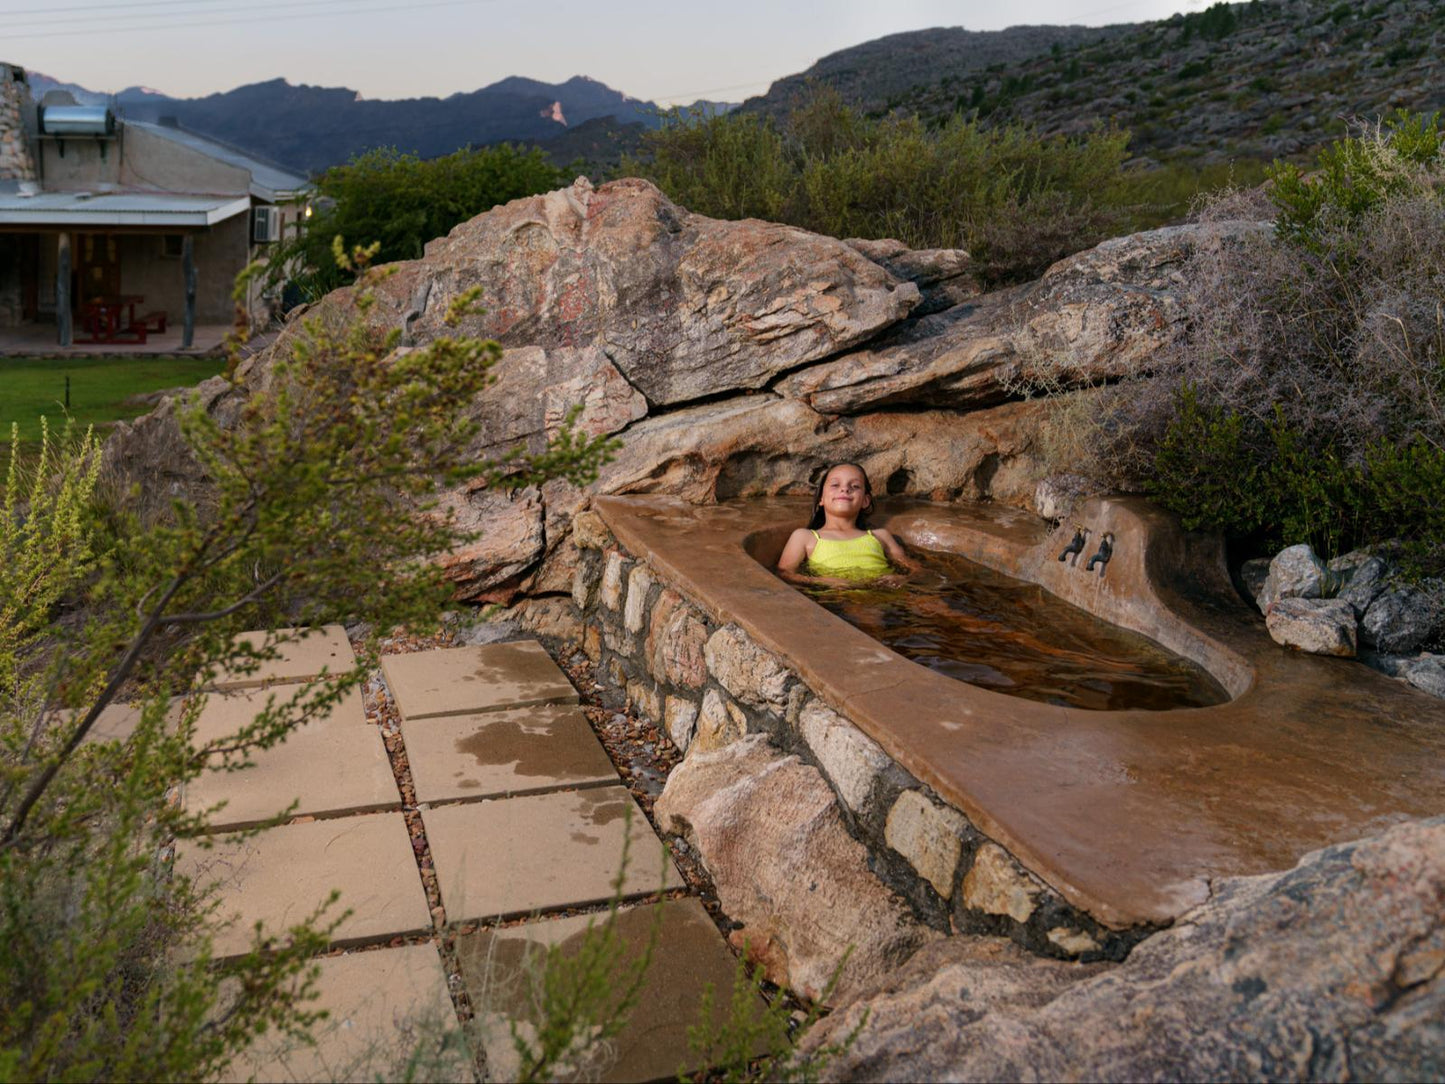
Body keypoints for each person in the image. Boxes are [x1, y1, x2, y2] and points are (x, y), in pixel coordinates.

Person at [777, 462, 914, 586]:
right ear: (821, 498)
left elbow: (915, 569)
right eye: (835, 485)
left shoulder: (880, 536)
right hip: (838, 598)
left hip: (884, 591)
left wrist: (901, 578)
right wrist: (822, 581)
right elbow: (785, 574)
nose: (845, 489)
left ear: (865, 501)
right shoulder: (805, 537)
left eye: (854, 486)